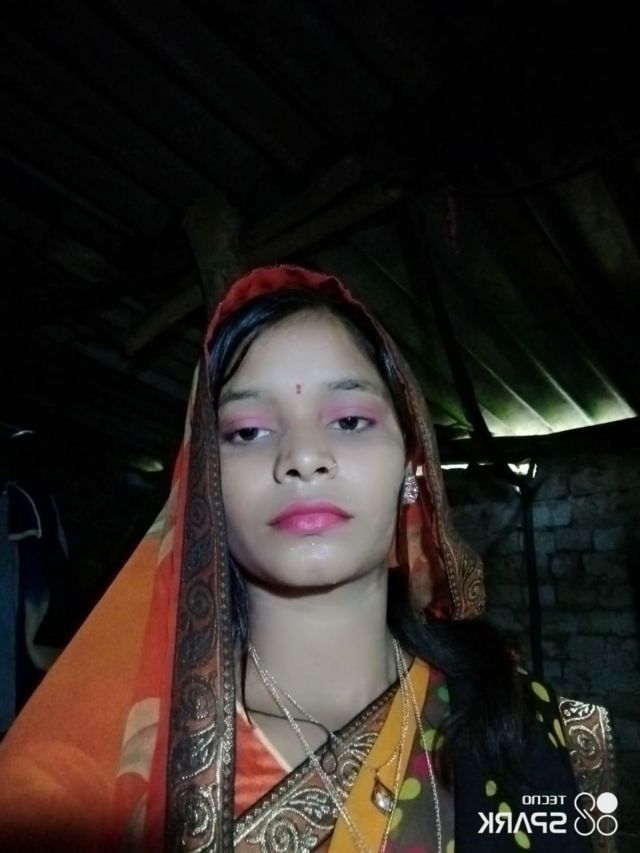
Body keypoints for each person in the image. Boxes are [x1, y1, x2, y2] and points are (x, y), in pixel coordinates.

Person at [0, 266, 616, 852]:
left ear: (411, 465)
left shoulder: (519, 721)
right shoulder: (99, 772)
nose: (302, 456)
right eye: (248, 431)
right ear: (204, 482)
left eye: (348, 420)